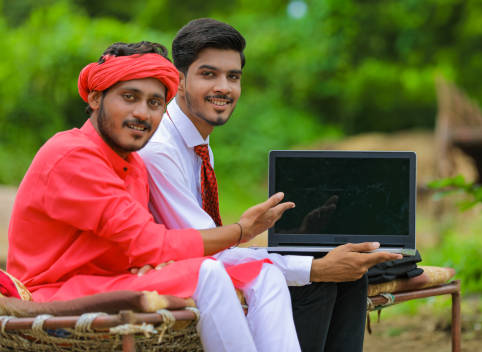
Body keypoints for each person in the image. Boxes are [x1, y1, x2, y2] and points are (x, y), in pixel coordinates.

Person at [7, 41, 305, 351]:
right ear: (96, 98)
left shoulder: (133, 164)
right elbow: (149, 243)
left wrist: (150, 262)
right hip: (53, 294)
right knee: (207, 273)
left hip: (111, 282)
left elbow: (142, 250)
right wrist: (241, 231)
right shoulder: (71, 154)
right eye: (129, 97)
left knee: (264, 275)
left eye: (155, 103)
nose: (142, 113)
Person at [139, 18, 402, 351]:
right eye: (209, 74)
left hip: (203, 262)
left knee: (345, 269)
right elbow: (204, 251)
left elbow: (216, 246)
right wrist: (314, 268)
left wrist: (302, 246)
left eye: (233, 77)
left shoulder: (196, 142)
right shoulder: (161, 149)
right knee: (316, 277)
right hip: (174, 272)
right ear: (177, 81)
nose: (224, 88)